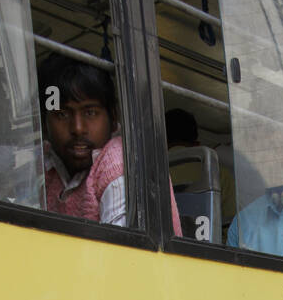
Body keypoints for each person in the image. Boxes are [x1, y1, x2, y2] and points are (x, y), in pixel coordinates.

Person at [39, 54, 182, 233]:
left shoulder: (119, 162)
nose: (77, 128)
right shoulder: (43, 161)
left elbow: (120, 248)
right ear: (44, 123)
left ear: (113, 118)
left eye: (90, 113)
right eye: (62, 114)